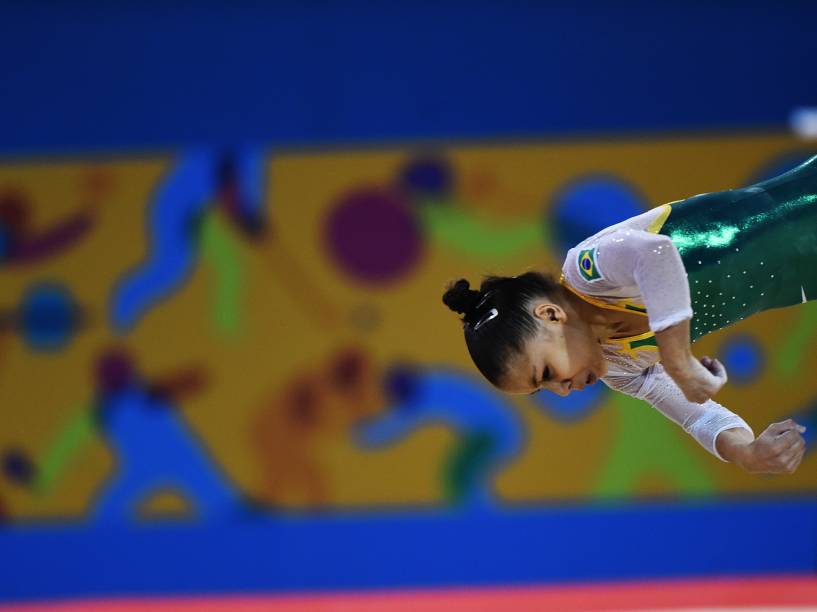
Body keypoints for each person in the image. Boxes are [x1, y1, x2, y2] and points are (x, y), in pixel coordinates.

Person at [443, 154, 817, 475]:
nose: (562, 391)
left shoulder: (587, 270)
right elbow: (695, 415)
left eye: (546, 374)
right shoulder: (620, 367)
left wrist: (677, 361)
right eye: (545, 388)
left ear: (551, 314)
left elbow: (654, 255)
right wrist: (745, 453)